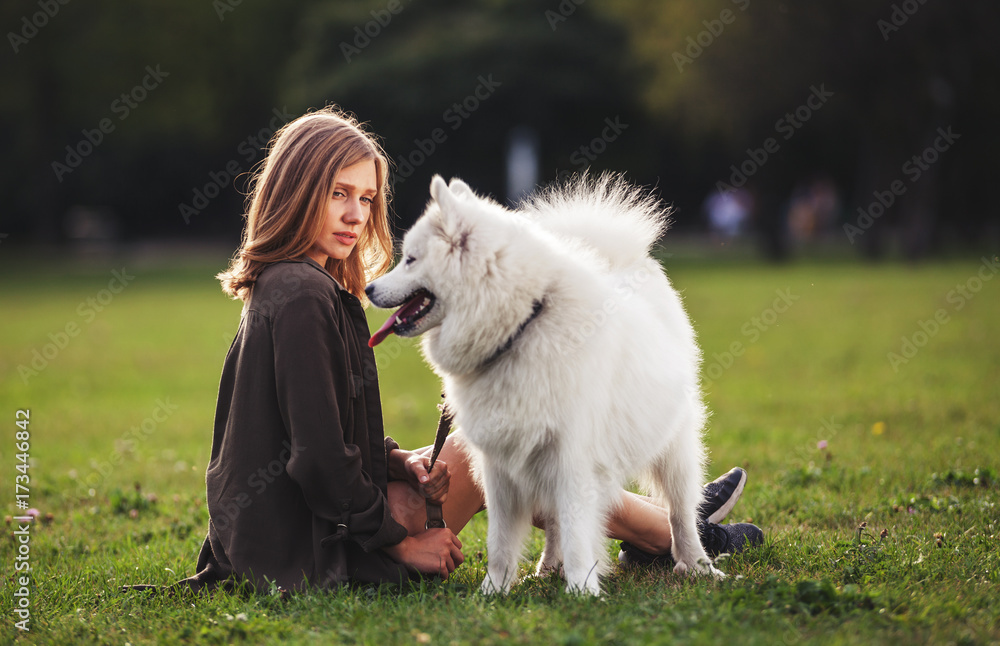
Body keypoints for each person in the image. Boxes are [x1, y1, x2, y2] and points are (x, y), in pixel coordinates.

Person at [178, 106, 761, 593]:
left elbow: (314, 428)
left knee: (495, 448)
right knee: (493, 445)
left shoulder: (284, 283)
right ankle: (675, 531)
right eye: (338, 194)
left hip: (272, 531)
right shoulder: (305, 295)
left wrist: (392, 460)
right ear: (297, 190)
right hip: (308, 551)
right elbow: (318, 458)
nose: (356, 215)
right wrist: (402, 544)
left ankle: (670, 524)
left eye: (366, 198)